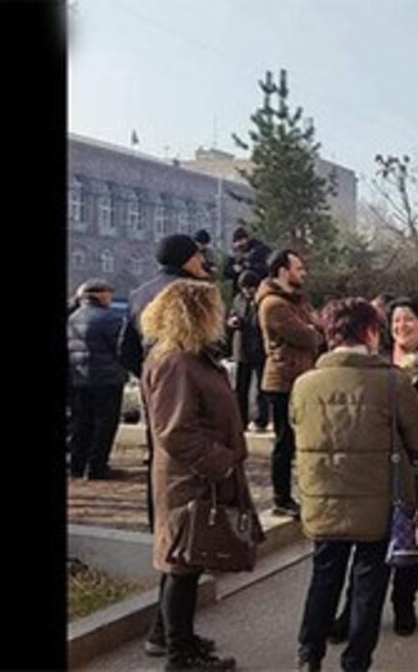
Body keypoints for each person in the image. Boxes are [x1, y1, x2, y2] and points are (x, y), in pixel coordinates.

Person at [291, 298, 418, 672]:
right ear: (370, 331)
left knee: (324, 577)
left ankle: (309, 656)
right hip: (378, 504)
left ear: (329, 333)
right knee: (369, 587)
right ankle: (355, 663)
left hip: (323, 500)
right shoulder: (391, 381)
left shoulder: (304, 384)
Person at [140, 280, 261, 671]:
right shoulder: (176, 362)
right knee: (182, 565)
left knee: (186, 563)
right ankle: (178, 654)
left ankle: (182, 640)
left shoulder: (190, 358)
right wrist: (221, 461)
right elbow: (176, 431)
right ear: (195, 314)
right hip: (189, 480)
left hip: (197, 476)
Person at [328, 296, 418, 641]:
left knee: (411, 541)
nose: (401, 326)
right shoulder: (375, 359)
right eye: (396, 320)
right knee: (367, 540)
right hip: (376, 462)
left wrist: (415, 427)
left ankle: (404, 604)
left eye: (409, 319)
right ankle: (353, 611)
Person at [119, 235, 217, 660]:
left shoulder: (140, 293)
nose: (204, 262)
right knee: (183, 537)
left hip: (157, 404)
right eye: (198, 256)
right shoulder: (188, 298)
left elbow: (125, 349)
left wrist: (146, 376)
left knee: (167, 519)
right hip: (187, 417)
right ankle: (171, 638)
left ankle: (170, 633)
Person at [257, 249, 325, 519]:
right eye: (299, 268)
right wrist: (314, 330)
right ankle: (281, 498)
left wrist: (314, 329)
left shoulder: (297, 300)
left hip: (303, 377)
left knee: (302, 441)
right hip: (283, 380)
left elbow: (319, 327)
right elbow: (308, 336)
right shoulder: (273, 304)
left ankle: (302, 493)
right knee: (285, 442)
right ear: (283, 271)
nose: (303, 273)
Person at [68, 278, 129, 480]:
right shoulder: (110, 318)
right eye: (108, 293)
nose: (110, 297)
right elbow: (121, 348)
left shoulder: (73, 318)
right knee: (105, 424)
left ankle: (77, 464)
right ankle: (97, 466)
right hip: (107, 380)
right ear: (100, 295)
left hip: (78, 378)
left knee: (81, 422)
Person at [227, 270, 269, 432]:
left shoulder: (263, 300)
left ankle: (261, 419)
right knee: (240, 387)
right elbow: (232, 316)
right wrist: (232, 322)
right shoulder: (238, 299)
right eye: (244, 288)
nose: (247, 291)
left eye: (250, 288)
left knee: (261, 388)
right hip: (241, 348)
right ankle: (240, 420)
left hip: (259, 348)